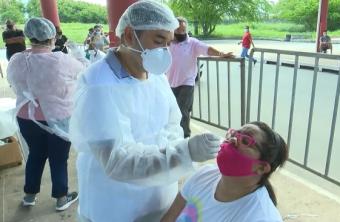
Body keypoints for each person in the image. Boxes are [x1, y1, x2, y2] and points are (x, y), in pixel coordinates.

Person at [68, 1, 221, 221]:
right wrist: (184, 153)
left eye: (168, 43)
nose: (165, 52)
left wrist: (174, 152)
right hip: (116, 202)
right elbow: (117, 161)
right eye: (159, 41)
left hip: (159, 193)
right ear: (129, 35)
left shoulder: (154, 75)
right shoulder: (99, 85)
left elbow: (172, 123)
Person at [6, 17, 86, 211]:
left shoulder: (17, 59)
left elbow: (14, 83)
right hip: (58, 118)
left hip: (26, 118)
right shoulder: (62, 60)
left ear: (28, 36)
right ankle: (61, 197)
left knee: (36, 154)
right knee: (58, 158)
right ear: (52, 36)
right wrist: (78, 54)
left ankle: (29, 195)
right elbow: (85, 72)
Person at [162, 121, 288, 222]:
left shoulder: (261, 217)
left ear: (262, 168)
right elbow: (170, 217)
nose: (233, 140)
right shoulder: (203, 175)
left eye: (245, 141)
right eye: (234, 134)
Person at [167, 16, 234, 138]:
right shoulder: (168, 42)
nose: (181, 33)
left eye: (183, 30)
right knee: (171, 110)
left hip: (186, 82)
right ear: (173, 30)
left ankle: (185, 136)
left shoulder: (192, 43)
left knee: (183, 110)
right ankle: (173, 134)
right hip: (170, 82)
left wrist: (221, 54)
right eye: (178, 30)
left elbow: (207, 49)